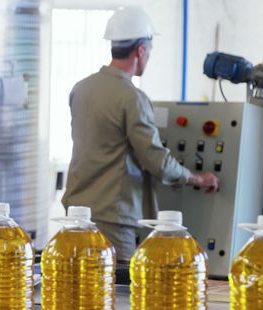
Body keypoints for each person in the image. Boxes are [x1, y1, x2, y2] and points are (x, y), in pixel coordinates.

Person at [62, 7, 219, 266]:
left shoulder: (81, 89)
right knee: (116, 294)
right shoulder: (132, 98)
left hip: (76, 212)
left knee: (80, 286)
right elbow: (155, 159)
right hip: (113, 217)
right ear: (141, 50)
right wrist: (196, 178)